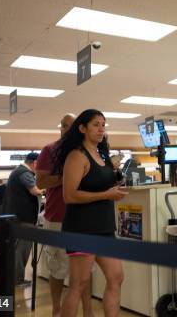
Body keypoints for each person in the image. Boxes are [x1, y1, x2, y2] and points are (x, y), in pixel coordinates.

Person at [53, 109, 127, 317]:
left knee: (116, 277)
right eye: (96, 124)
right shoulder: (77, 156)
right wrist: (105, 195)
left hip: (104, 228)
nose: (101, 128)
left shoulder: (101, 155)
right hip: (81, 228)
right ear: (82, 128)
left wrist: (114, 186)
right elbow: (69, 195)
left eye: (103, 124)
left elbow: (101, 185)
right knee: (79, 283)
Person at [37, 114, 95, 317]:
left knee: (85, 271)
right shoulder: (50, 150)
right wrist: (68, 176)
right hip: (57, 217)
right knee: (58, 268)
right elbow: (41, 183)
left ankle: (88, 311)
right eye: (63, 125)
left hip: (84, 217)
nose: (66, 129)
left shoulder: (87, 150)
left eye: (71, 126)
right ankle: (56, 310)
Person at [3, 152, 42, 286]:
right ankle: (18, 279)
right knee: (22, 250)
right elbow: (35, 191)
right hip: (24, 218)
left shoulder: (17, 171)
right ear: (35, 163)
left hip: (16, 217)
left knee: (17, 249)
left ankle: (14, 278)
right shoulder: (25, 173)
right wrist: (49, 190)